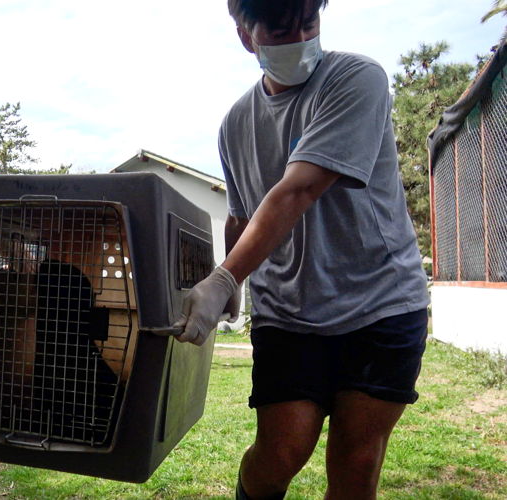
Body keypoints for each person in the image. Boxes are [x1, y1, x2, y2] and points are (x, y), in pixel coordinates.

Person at [174, 1, 430, 498]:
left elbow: (298, 189)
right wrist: (234, 286)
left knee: (356, 464)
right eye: (278, 29)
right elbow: (243, 213)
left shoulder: (357, 79)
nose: (298, 39)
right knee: (279, 453)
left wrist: (224, 276)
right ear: (246, 33)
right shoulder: (234, 124)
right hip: (289, 315)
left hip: (380, 304)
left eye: (307, 24)